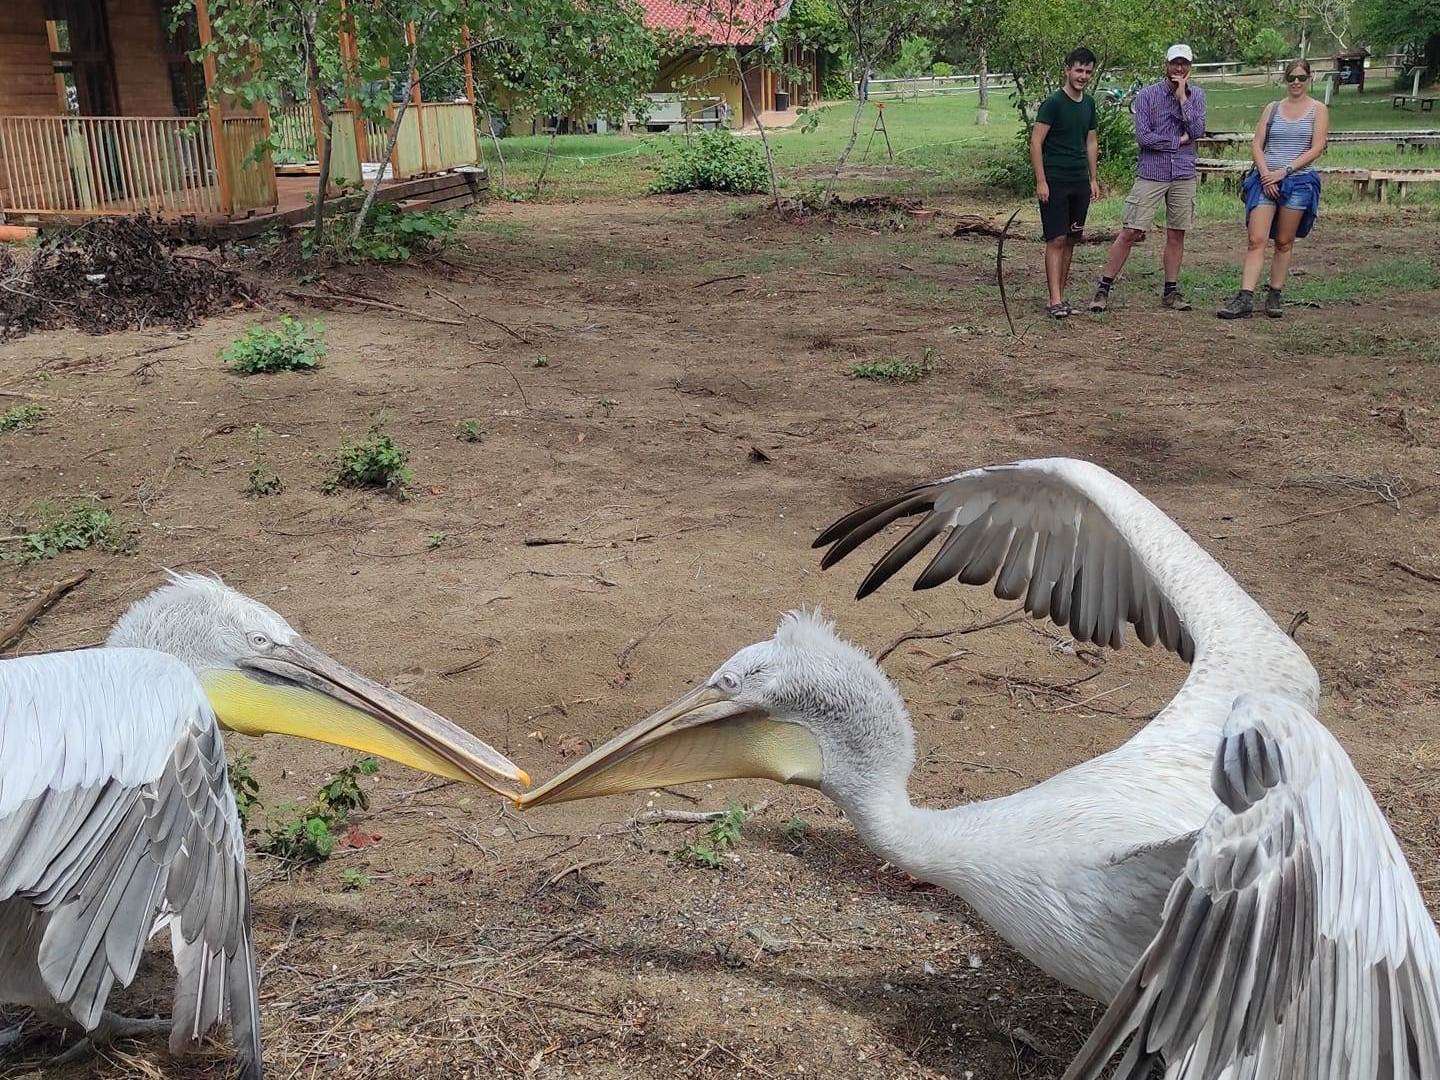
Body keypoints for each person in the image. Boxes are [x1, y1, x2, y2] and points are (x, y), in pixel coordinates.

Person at [1090, 44, 1206, 313]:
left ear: (1190, 66)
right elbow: (1144, 137)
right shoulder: (1147, 96)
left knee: (1177, 233)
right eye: (1175, 63)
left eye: (1184, 64)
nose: (1179, 68)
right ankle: (1103, 288)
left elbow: (1198, 130)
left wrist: (1182, 99)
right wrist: (1177, 141)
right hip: (1152, 172)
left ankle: (1171, 291)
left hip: (1183, 173)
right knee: (1131, 230)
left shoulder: (1196, 95)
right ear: (1165, 64)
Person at [1217, 58, 1329, 319]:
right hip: (1266, 179)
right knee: (1256, 239)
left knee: (1283, 241)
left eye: (1301, 77)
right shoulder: (1273, 108)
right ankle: (1245, 296)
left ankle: (1275, 293)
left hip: (1298, 180)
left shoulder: (1318, 109)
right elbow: (1257, 143)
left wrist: (1285, 171)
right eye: (1292, 78)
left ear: (1309, 79)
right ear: (1285, 80)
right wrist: (1266, 174)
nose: (1297, 83)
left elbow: (1317, 147)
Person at [1030, 47, 1099, 319]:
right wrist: (1041, 181)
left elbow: (1091, 141)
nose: (1082, 76)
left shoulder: (1089, 103)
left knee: (1071, 238)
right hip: (1055, 180)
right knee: (1055, 238)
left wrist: (1093, 178)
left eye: (1087, 72)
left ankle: (1060, 295)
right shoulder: (1054, 103)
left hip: (1079, 180)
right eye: (1078, 70)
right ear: (1067, 70)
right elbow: (1036, 142)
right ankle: (1054, 299)